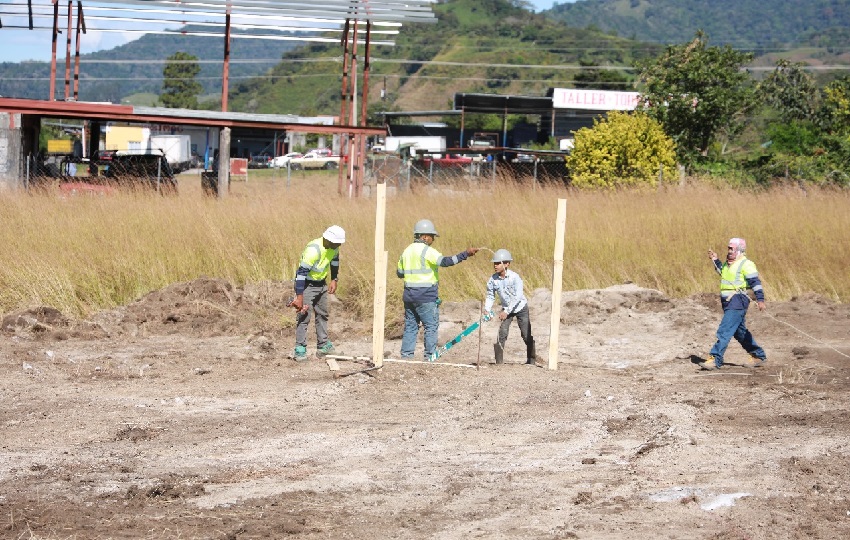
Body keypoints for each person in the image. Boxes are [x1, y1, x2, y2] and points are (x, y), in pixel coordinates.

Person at [397, 219, 479, 360]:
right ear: (424, 236)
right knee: (431, 326)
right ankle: (429, 357)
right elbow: (446, 262)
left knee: (411, 326)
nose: (433, 239)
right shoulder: (427, 251)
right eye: (432, 236)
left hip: (409, 296)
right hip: (426, 296)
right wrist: (465, 254)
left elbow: (399, 273)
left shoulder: (407, 251)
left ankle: (406, 357)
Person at [699, 237, 767, 370]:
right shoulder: (728, 263)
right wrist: (715, 260)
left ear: (739, 249)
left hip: (738, 301)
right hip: (727, 302)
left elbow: (755, 282)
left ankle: (715, 358)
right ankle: (758, 355)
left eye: (732, 248)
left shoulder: (746, 264)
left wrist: (760, 299)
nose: (729, 251)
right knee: (739, 332)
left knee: (725, 329)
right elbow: (723, 274)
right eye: (728, 248)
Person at [290, 225, 345, 362]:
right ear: (329, 239)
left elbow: (335, 261)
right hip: (307, 285)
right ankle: (300, 349)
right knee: (304, 315)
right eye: (337, 242)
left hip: (321, 283)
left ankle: (323, 346)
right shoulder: (313, 250)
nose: (339, 245)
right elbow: (301, 275)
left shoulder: (334, 247)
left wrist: (334, 279)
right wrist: (299, 297)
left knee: (322, 314)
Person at [484, 249, 536, 365]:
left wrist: (506, 311)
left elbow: (517, 297)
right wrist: (487, 309)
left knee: (525, 333)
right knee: (502, 333)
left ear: (507, 264)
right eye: (494, 263)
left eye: (498, 263)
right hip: (507, 309)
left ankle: (531, 360)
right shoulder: (493, 280)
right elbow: (490, 295)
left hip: (520, 308)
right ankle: (499, 362)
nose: (495, 266)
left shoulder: (515, 277)